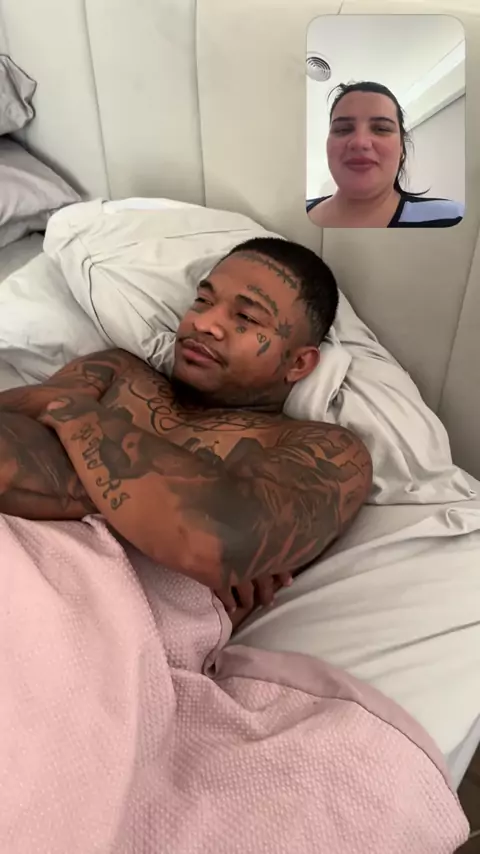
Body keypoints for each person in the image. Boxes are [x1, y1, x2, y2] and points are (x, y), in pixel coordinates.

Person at [0, 236, 372, 626]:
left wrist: (70, 413)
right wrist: (166, 516)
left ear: (298, 364)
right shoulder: (117, 371)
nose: (203, 324)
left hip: (106, 624)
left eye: (246, 318)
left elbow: (214, 540)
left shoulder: (324, 449)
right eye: (203, 301)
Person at [307, 81, 464, 229]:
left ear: (401, 146)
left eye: (381, 129)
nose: (360, 142)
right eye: (342, 129)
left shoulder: (455, 219)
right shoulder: (294, 214)